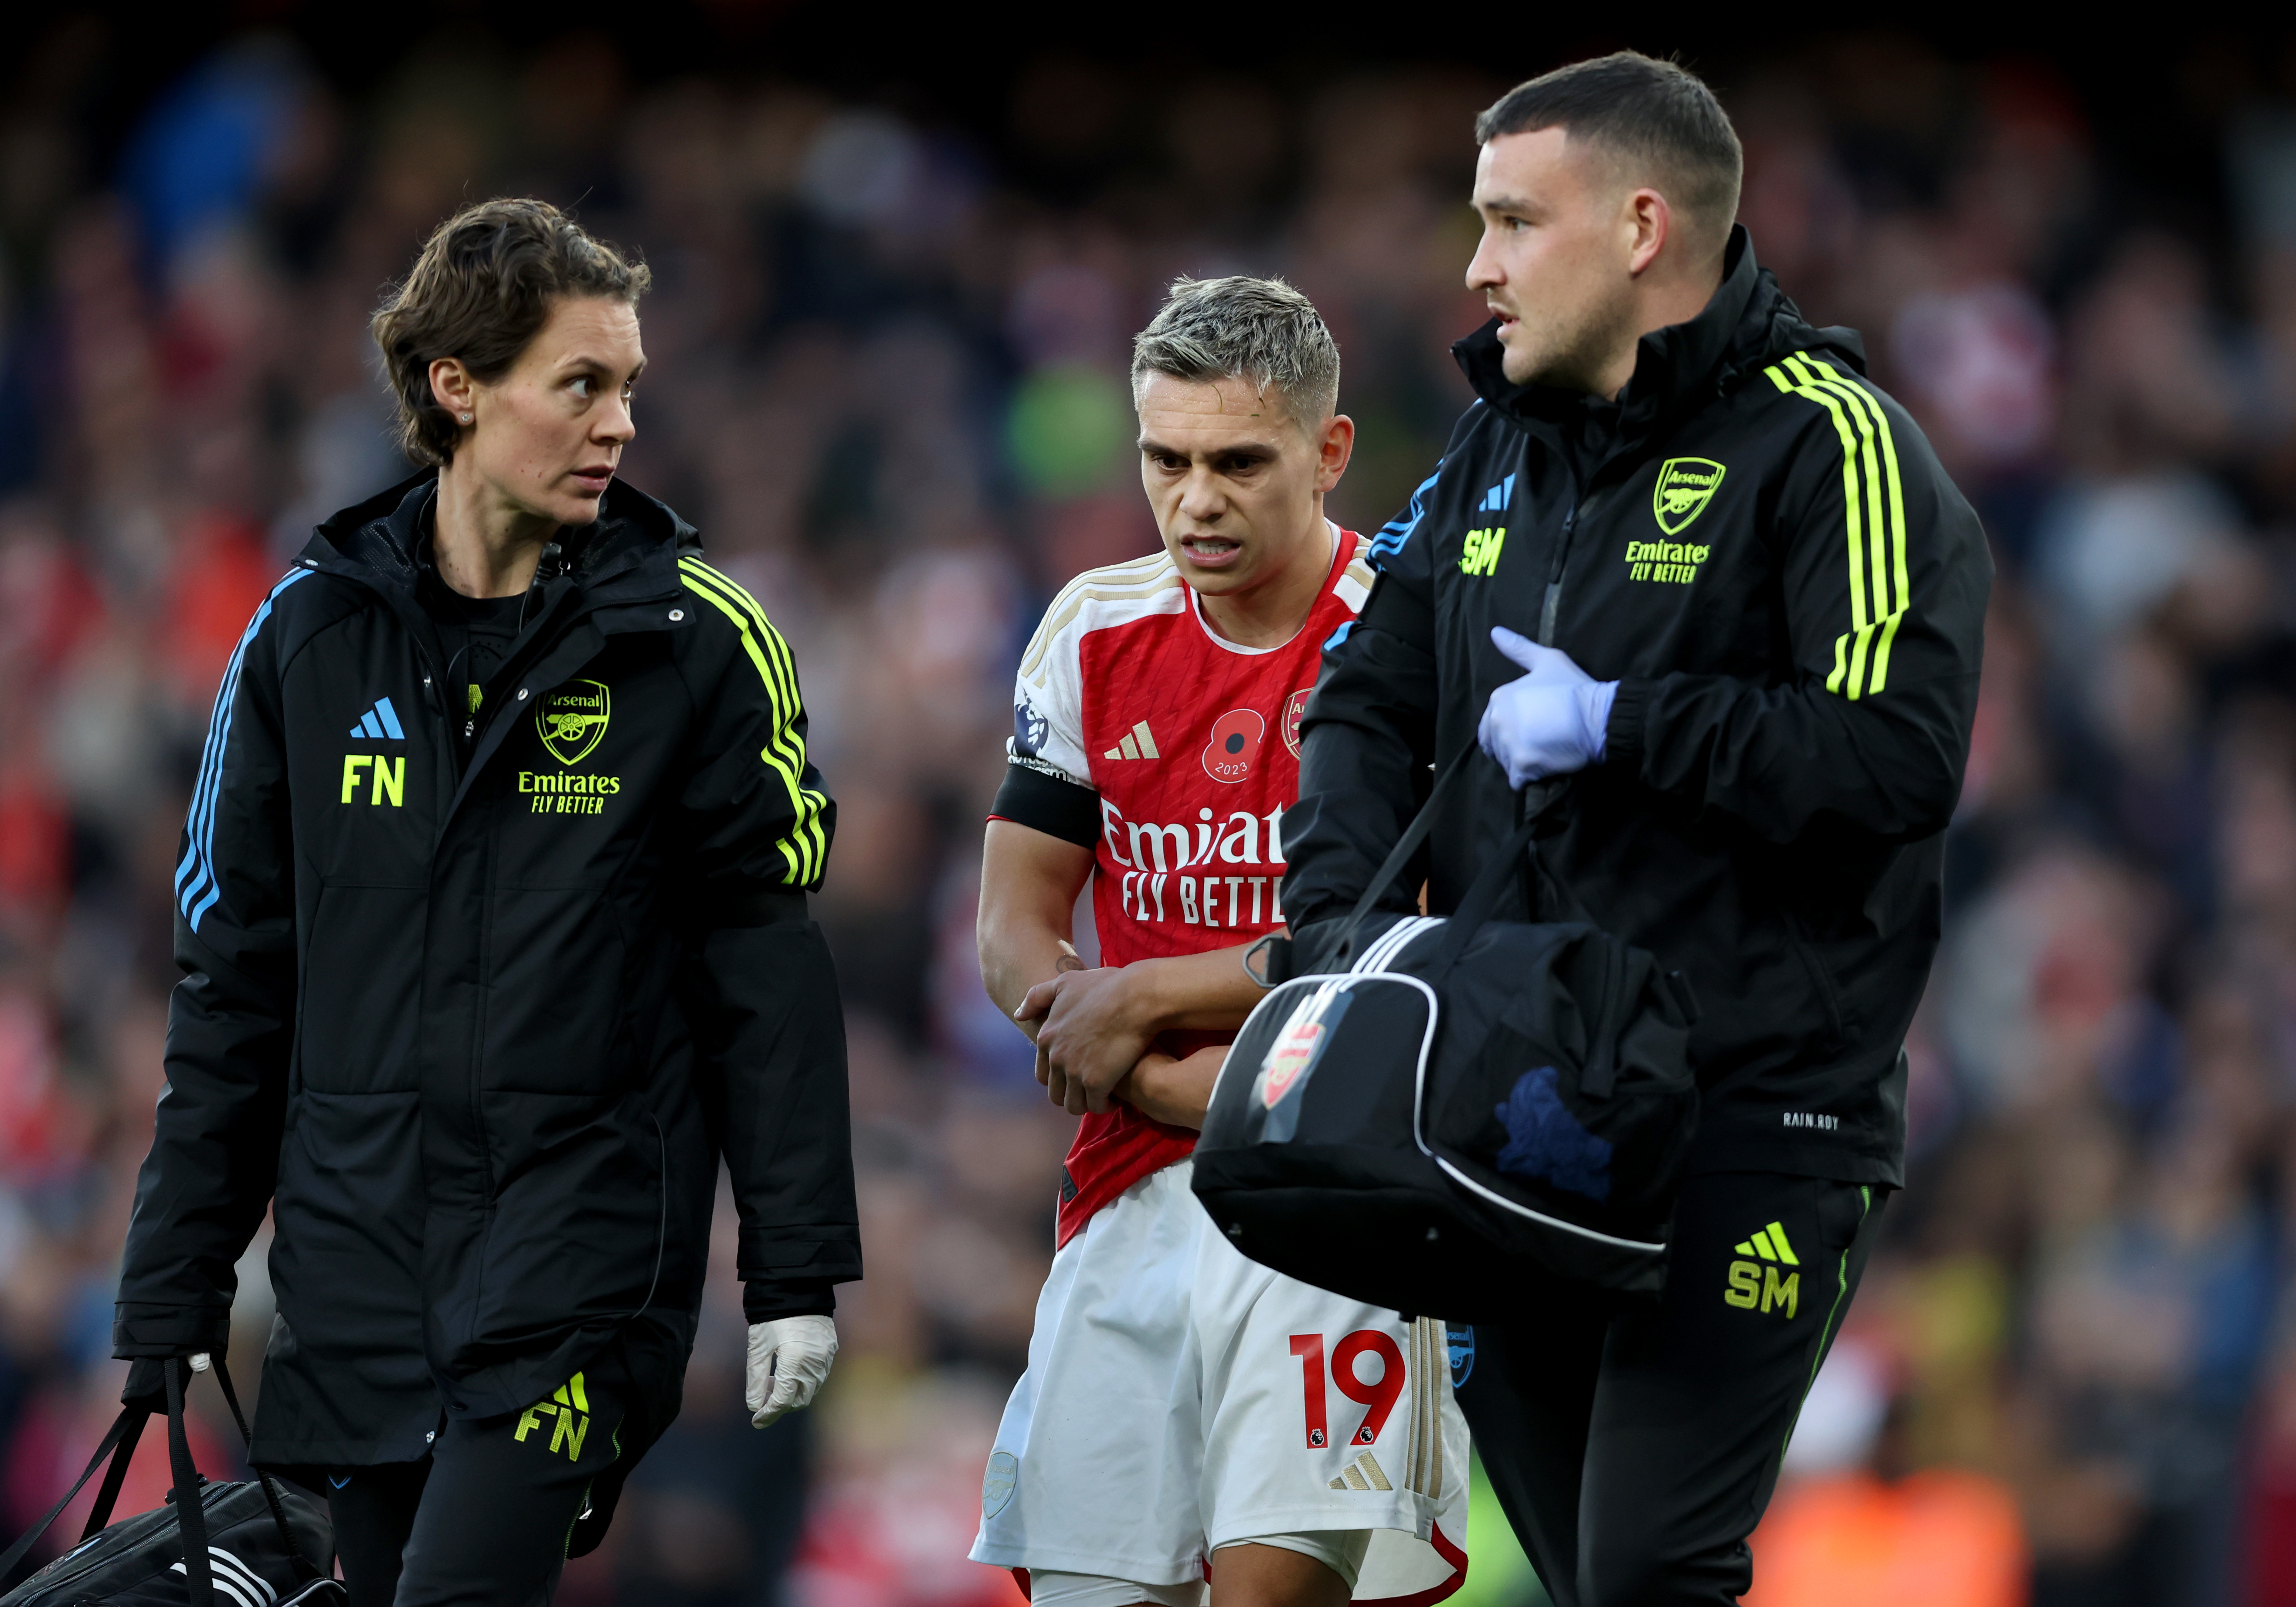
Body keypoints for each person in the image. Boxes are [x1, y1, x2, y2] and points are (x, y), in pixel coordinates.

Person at [1280, 54, 1990, 1607]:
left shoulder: (1832, 447)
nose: (1473, 263)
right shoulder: (1491, 453)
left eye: (1510, 221)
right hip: (1508, 1118)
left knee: (1653, 1569)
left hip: (1747, 1125)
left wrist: (1623, 722)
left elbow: (1895, 755)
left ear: (1641, 228)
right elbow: (1359, 701)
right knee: (1590, 1579)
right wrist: (1331, 946)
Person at [110, 197, 860, 1607]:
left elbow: (765, 969)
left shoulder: (700, 645)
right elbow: (233, 983)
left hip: (582, 1267)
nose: (620, 423)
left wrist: (793, 1271)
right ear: (455, 388)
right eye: (581, 383)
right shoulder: (302, 640)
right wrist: (177, 1279)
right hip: (357, 1270)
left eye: (628, 386)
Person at [971, 277, 1469, 1607]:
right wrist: (1125, 1058)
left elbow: (1408, 942)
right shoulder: (1089, 629)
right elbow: (1014, 924)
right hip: (1125, 1184)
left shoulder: (1408, 629)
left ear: (1328, 451)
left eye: (1238, 461)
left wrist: (1136, 1001)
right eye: (1165, 460)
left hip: (1339, 1194)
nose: (1195, 500)